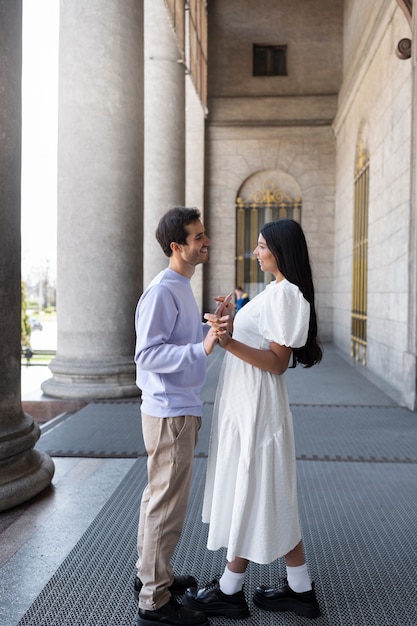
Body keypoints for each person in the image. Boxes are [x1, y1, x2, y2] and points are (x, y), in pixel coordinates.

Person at [183, 219, 323, 620]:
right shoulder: (277, 290)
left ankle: (230, 589)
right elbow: (262, 341)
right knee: (267, 489)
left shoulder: (286, 294)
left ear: (280, 250)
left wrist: (227, 341)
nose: (256, 252)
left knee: (254, 485)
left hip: (258, 405)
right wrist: (230, 319)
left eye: (262, 246)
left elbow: (278, 363)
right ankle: (299, 588)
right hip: (249, 403)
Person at [133, 206, 231, 626]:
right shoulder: (162, 290)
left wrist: (214, 324)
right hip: (170, 412)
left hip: (176, 408)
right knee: (166, 507)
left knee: (158, 500)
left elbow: (182, 342)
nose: (205, 241)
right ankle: (154, 603)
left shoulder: (180, 286)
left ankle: (151, 578)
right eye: (197, 237)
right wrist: (202, 347)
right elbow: (148, 354)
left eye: (204, 234)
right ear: (177, 246)